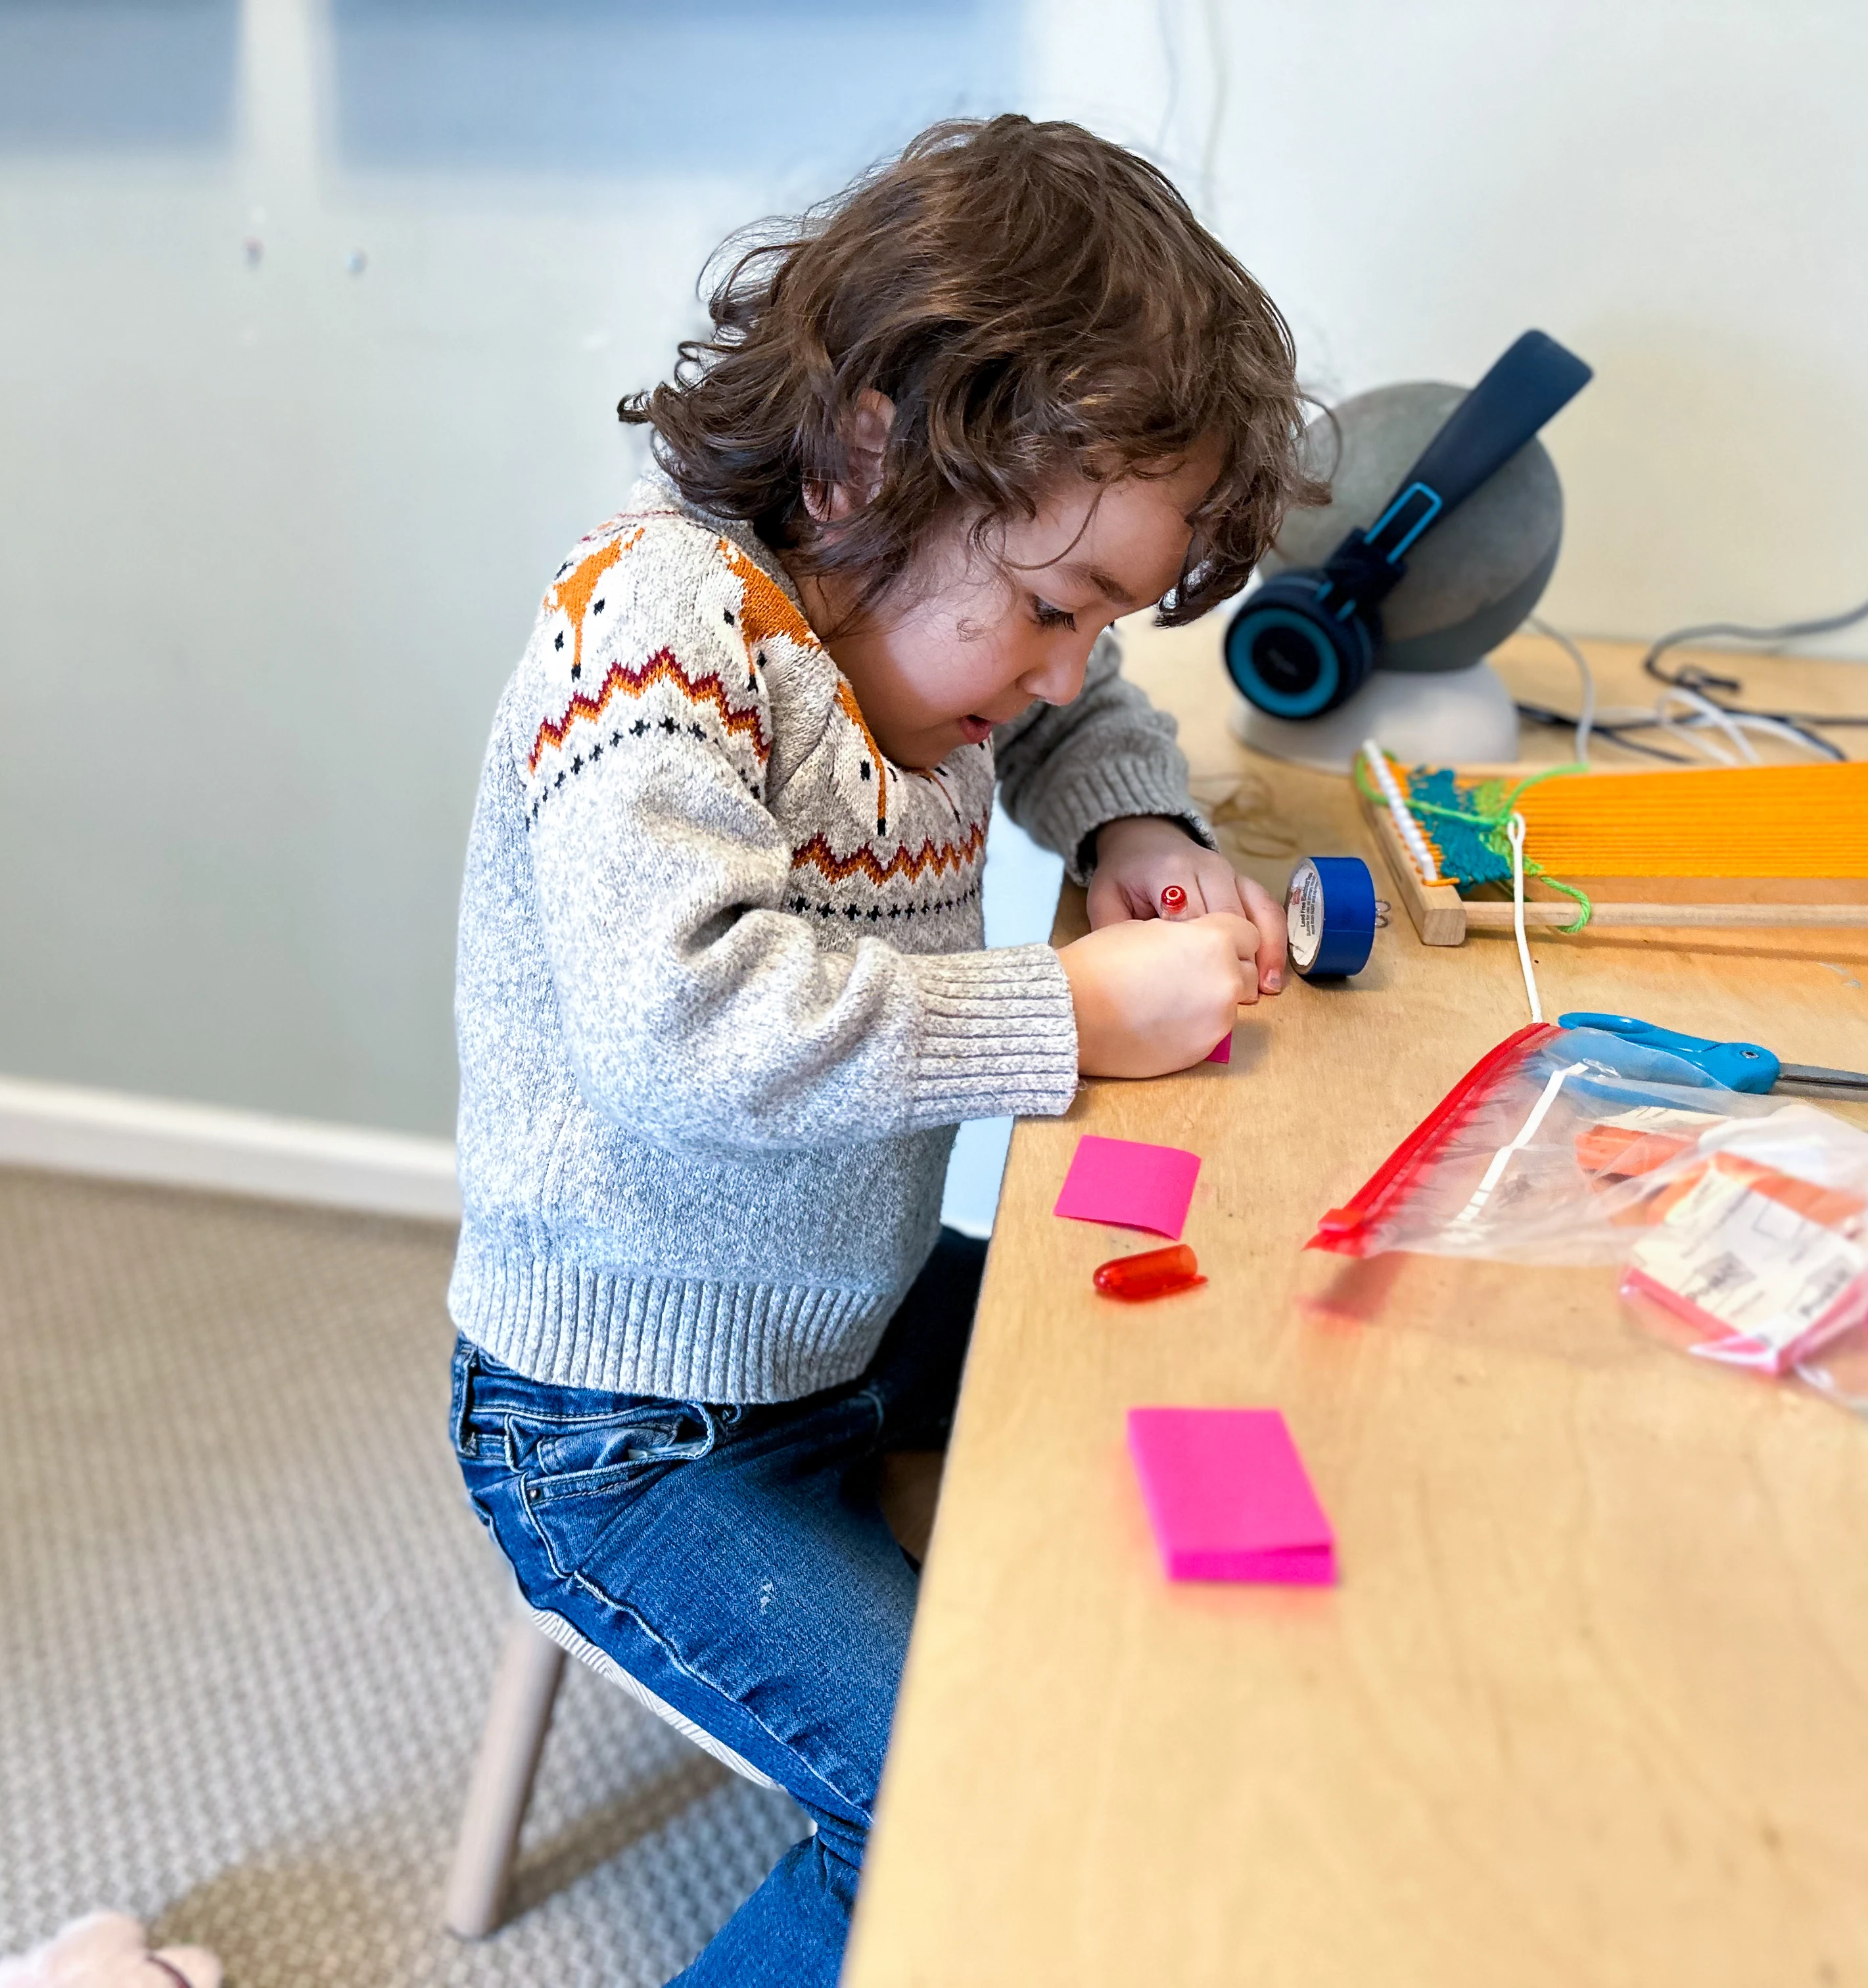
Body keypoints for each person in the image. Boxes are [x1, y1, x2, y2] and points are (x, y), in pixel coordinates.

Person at [445, 114, 1320, 1985]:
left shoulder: (923, 632)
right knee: (947, 1796)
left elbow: (1068, 730)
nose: (1072, 663)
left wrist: (1134, 832)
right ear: (869, 457)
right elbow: (685, 1026)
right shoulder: (659, 629)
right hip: (629, 1426)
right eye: (1059, 608)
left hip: (835, 1312)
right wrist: (1068, 1017)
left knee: (1167, 1367)